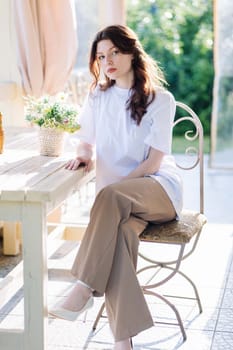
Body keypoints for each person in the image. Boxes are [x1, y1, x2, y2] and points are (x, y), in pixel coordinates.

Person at [50, 24, 183, 350]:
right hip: (117, 205)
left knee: (110, 197)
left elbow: (153, 163)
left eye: (115, 52)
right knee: (120, 238)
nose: (107, 60)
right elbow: (86, 142)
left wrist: (115, 190)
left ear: (131, 52)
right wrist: (82, 158)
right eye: (101, 56)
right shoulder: (99, 95)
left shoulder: (160, 99)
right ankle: (124, 342)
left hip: (157, 190)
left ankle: (83, 285)